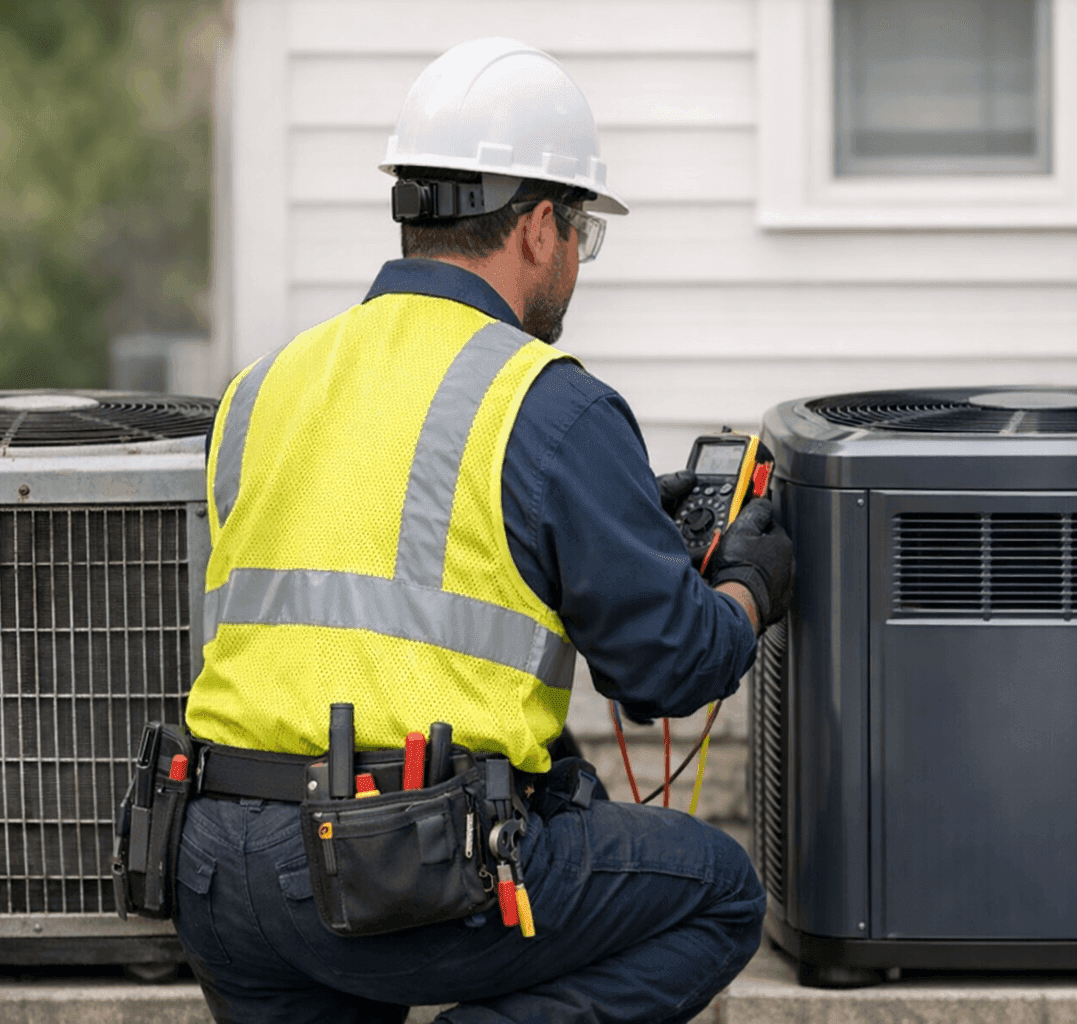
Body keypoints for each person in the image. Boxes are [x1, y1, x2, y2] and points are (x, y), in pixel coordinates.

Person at [173, 37, 794, 1024]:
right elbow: (667, 671)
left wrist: (620, 522)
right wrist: (750, 582)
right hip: (401, 873)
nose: (576, 261)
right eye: (582, 234)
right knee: (718, 893)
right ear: (541, 226)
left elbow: (388, 544)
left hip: (216, 873)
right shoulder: (546, 403)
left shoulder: (263, 385)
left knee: (551, 801)